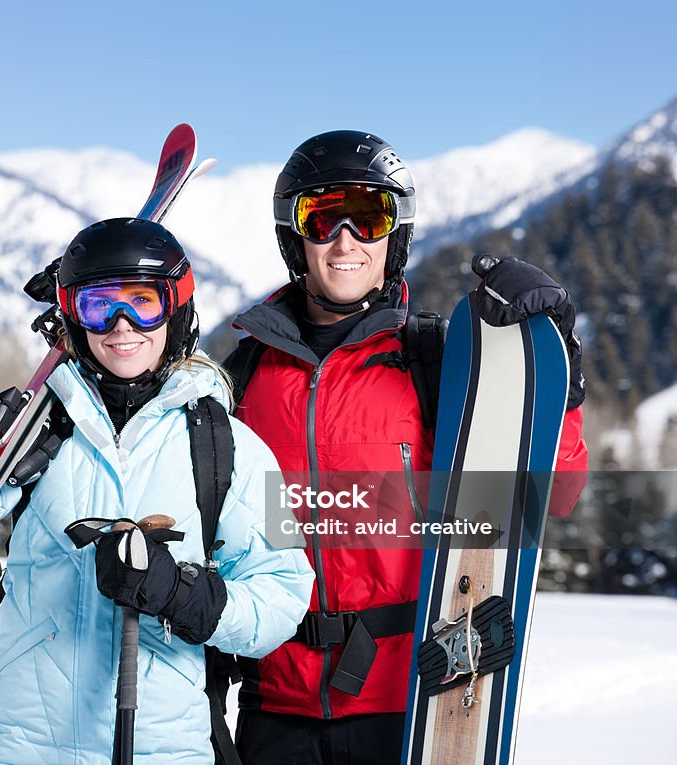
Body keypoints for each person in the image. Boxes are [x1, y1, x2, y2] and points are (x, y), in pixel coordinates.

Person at [0, 217, 315, 765]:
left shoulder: (232, 444)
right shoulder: (34, 420)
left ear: (176, 309)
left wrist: (181, 594)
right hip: (25, 745)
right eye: (98, 305)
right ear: (72, 315)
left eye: (143, 302)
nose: (121, 324)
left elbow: (285, 591)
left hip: (164, 749)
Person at [223, 131, 589, 764]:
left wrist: (559, 373)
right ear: (294, 235)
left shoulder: (433, 359)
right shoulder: (244, 373)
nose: (345, 240)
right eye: (322, 217)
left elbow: (555, 491)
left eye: (369, 218)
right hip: (273, 709)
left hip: (410, 703)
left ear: (395, 236)